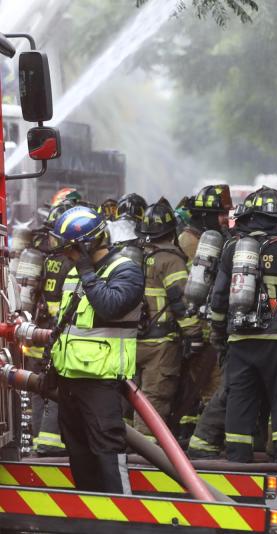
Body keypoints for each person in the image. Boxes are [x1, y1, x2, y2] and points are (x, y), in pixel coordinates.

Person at [209, 186, 277, 464]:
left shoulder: (231, 248)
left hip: (239, 339)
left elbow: (219, 295)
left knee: (240, 394)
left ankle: (237, 451)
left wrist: (220, 333)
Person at [49, 205, 144, 493]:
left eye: (71, 249)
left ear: (87, 245)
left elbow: (110, 306)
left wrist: (88, 271)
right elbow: (66, 327)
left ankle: (122, 515)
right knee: (79, 455)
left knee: (107, 453)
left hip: (100, 383)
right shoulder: (77, 272)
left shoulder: (126, 270)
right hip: (69, 381)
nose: (66, 255)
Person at [134, 198, 203, 436]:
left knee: (130, 397)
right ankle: (145, 452)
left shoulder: (134, 257)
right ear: (172, 230)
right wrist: (194, 334)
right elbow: (181, 302)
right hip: (160, 345)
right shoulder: (171, 260)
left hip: (131, 342)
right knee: (154, 398)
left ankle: (126, 447)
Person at [175, 185, 232, 442]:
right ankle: (205, 440)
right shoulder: (190, 243)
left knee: (200, 385)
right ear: (206, 214)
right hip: (197, 328)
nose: (224, 219)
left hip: (206, 327)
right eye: (220, 213)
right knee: (209, 386)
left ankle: (194, 435)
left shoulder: (204, 240)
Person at [29, 199, 81, 455]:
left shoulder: (47, 259)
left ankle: (39, 438)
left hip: (36, 332)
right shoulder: (72, 264)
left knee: (39, 388)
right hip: (56, 334)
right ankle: (50, 442)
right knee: (57, 388)